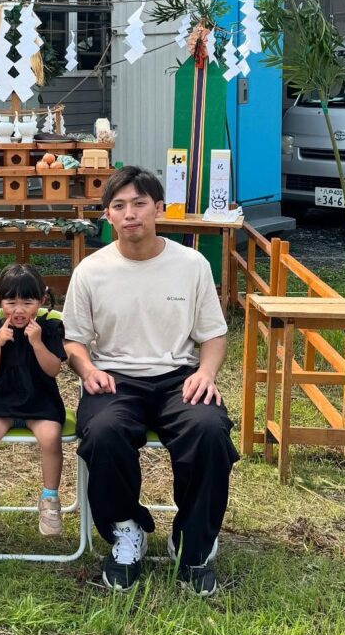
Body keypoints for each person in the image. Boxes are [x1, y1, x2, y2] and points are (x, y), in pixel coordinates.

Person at [62, 165, 239, 596]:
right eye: (119, 206)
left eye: (140, 203)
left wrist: (206, 372)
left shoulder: (190, 264)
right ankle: (126, 531)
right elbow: (74, 341)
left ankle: (193, 544)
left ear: (159, 208)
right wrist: (87, 369)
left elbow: (213, 334)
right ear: (107, 215)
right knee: (103, 434)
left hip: (179, 375)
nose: (130, 214)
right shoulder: (91, 270)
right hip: (115, 378)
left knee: (209, 430)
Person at [0, 263, 67, 538]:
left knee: (50, 437)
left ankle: (49, 499)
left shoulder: (50, 327)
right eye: (11, 302)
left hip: (40, 403)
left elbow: (52, 369)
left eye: (27, 301)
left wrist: (37, 343)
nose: (19, 309)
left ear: (42, 300)